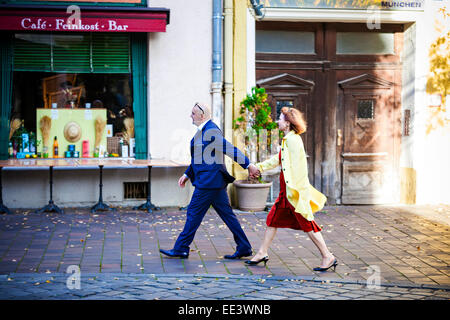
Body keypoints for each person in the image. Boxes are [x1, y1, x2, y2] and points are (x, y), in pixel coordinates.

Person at [159, 102, 260, 259]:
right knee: (227, 215)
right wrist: (187, 174)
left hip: (208, 182)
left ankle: (181, 248)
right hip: (214, 181)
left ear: (202, 116)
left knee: (193, 212)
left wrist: (249, 165)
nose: (190, 116)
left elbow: (229, 148)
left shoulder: (211, 130)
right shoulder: (203, 131)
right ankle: (244, 247)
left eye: (193, 113)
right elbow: (199, 158)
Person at [245, 107, 337, 272]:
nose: (277, 121)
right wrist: (257, 168)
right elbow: (277, 160)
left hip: (293, 193)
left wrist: (298, 194)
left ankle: (327, 256)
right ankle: (262, 252)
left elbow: (300, 169)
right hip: (286, 192)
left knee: (307, 224)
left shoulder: (294, 141)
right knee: (272, 220)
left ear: (287, 123)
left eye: (280, 119)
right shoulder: (288, 140)